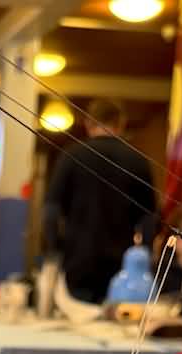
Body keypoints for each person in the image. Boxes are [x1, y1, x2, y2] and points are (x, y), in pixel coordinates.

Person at [43, 99, 157, 304]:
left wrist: (56, 248)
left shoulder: (71, 156)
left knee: (79, 315)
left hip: (77, 259)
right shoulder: (138, 161)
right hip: (121, 264)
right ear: (121, 124)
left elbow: (51, 211)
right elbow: (149, 217)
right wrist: (144, 254)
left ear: (88, 124)